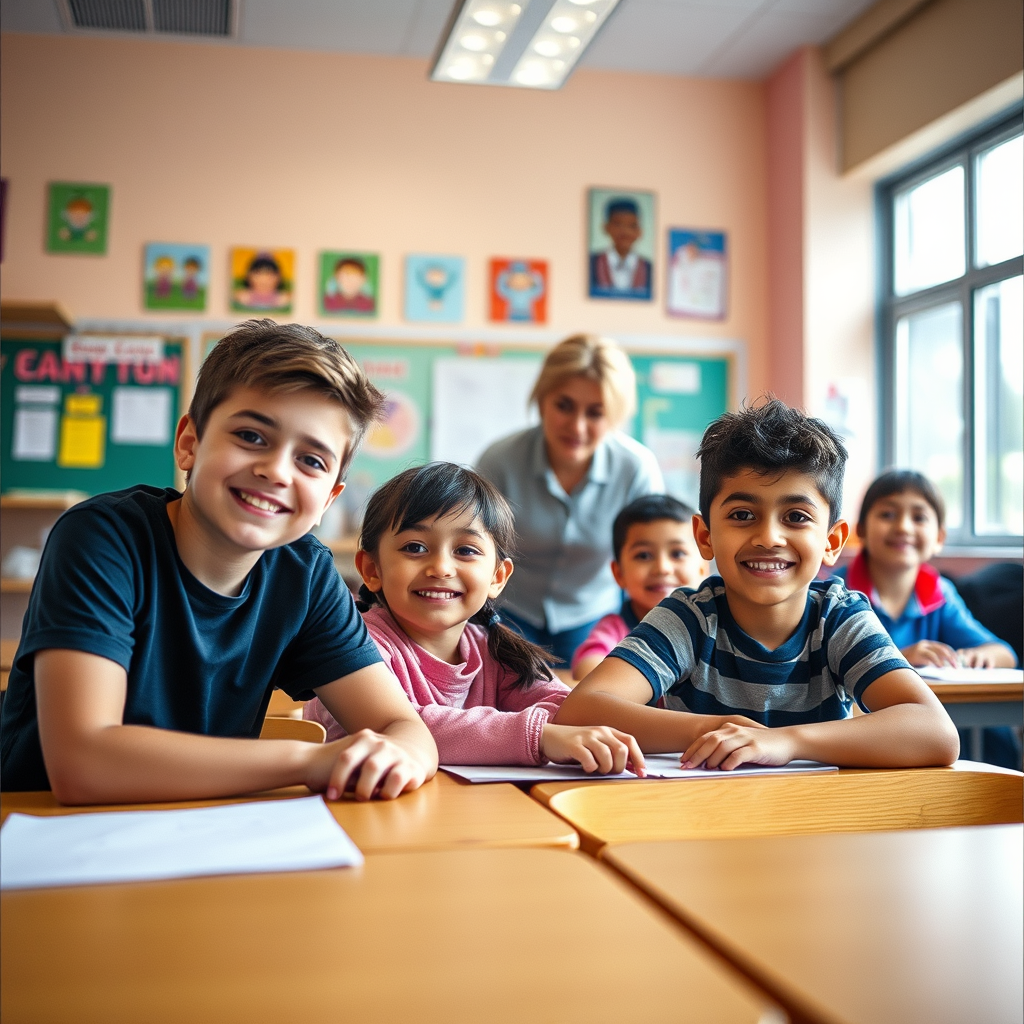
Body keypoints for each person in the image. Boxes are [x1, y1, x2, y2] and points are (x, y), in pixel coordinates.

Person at [0, 320, 438, 803]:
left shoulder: (306, 575)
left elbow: (404, 728)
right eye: (251, 436)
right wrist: (309, 760)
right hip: (42, 829)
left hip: (204, 829)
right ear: (189, 443)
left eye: (311, 461)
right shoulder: (103, 538)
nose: (275, 470)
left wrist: (401, 754)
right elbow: (84, 762)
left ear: (330, 498)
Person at [555, 398, 960, 770]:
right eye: (743, 515)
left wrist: (786, 742)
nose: (769, 537)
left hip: (820, 825)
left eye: (797, 517)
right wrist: (712, 730)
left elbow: (936, 733)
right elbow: (581, 710)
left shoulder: (838, 617)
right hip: (701, 822)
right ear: (705, 536)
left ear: (832, 542)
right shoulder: (689, 618)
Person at [304, 463, 643, 774]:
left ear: (497, 577)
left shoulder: (494, 648)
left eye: (465, 550)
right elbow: (404, 725)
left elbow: (566, 709)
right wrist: (539, 735)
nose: (440, 567)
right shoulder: (355, 648)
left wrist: (580, 729)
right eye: (415, 547)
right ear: (371, 569)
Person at [476, 334, 664, 666]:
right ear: (542, 399)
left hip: (594, 617)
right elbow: (475, 547)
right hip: (509, 610)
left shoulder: (637, 468)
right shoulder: (500, 460)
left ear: (615, 416)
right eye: (564, 406)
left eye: (595, 413)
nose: (577, 427)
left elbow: (654, 556)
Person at [839, 469, 1018, 767]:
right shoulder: (838, 594)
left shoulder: (939, 593)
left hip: (941, 737)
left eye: (919, 517)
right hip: (869, 739)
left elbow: (1004, 654)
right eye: (887, 514)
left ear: (939, 538)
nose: (903, 527)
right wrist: (897, 661)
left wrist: (973, 657)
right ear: (861, 531)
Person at [572, 494, 708, 681]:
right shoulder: (615, 629)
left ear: (703, 568)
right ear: (619, 574)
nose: (662, 568)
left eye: (677, 553)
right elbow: (588, 669)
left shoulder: (712, 626)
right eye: (643, 556)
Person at [589, 198, 652, 300]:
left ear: (639, 231)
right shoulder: (591, 263)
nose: (625, 232)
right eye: (618, 224)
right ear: (606, 228)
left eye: (632, 226)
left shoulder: (650, 269)